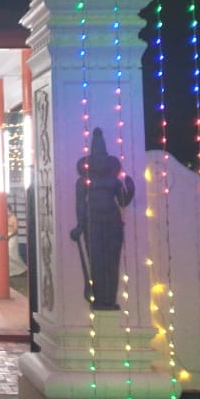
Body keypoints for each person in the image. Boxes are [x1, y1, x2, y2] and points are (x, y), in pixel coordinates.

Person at [70, 127, 136, 310]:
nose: (99, 162)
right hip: (93, 223)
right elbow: (80, 205)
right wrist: (80, 226)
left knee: (112, 262)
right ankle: (98, 298)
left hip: (113, 222)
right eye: (96, 159)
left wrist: (130, 190)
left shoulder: (114, 181)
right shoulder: (83, 181)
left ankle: (109, 299)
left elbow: (122, 201)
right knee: (97, 261)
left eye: (102, 159)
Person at [7, 207, 27, 277]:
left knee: (12, 254)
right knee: (7, 254)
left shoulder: (13, 218)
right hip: (7, 236)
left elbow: (15, 230)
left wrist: (9, 236)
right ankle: (12, 271)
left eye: (7, 210)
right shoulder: (5, 217)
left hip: (12, 237)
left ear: (10, 210)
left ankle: (22, 269)